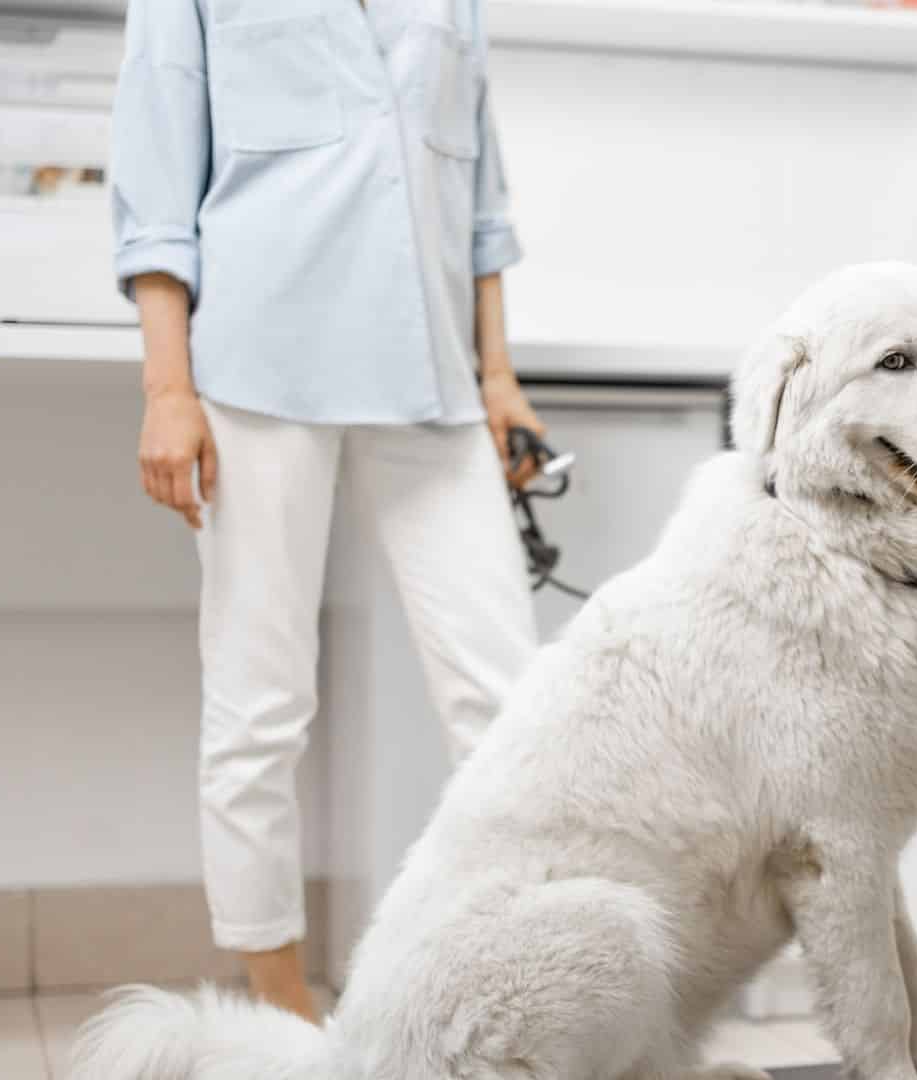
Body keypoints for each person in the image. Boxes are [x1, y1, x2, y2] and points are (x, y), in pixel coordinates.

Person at [110, 0, 542, 1021]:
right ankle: (281, 1007)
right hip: (260, 370)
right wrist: (167, 390)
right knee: (260, 706)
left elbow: (478, 189)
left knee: (514, 701)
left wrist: (499, 374)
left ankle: (533, 973)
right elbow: (158, 185)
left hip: (433, 377)